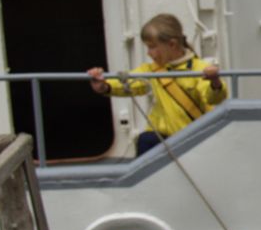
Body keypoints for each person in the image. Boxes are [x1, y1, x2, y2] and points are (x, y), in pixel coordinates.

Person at [87, 13, 227, 155]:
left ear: (172, 44)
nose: (149, 53)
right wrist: (105, 86)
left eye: (152, 47)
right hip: (161, 138)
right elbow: (130, 82)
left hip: (193, 138)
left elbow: (214, 98)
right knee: (145, 140)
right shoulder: (152, 70)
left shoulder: (199, 68)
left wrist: (215, 82)